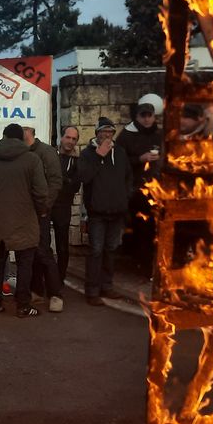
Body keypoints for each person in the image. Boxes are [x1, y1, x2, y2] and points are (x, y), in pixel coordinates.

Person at [0, 123, 49, 317]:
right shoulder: (32, 160)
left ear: (3, 137)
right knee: (25, 263)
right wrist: (41, 211)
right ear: (21, 138)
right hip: (25, 220)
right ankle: (23, 305)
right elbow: (41, 192)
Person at [78, 117, 133, 306]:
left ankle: (106, 286)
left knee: (111, 250)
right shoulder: (87, 154)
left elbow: (128, 177)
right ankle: (92, 290)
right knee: (95, 251)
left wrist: (125, 197)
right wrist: (98, 155)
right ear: (97, 133)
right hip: (97, 213)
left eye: (110, 132)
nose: (107, 135)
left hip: (116, 211)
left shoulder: (120, 152)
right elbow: (84, 177)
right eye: (103, 132)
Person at [118, 94, 163, 270]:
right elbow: (120, 161)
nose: (146, 119)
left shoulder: (159, 135)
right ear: (137, 117)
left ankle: (149, 262)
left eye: (149, 116)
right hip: (134, 189)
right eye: (143, 116)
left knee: (154, 227)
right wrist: (139, 158)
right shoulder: (127, 136)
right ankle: (140, 262)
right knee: (141, 226)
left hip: (156, 188)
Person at [22, 126, 64, 312]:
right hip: (24, 211)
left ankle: (55, 294)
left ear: (30, 131)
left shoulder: (47, 152)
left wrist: (45, 207)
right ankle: (36, 290)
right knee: (28, 252)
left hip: (41, 211)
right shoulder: (20, 152)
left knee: (44, 251)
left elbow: (55, 181)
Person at [52, 125, 82, 279]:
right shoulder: (51, 155)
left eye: (74, 139)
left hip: (63, 206)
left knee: (62, 246)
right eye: (68, 137)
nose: (70, 141)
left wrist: (61, 180)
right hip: (47, 204)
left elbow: (74, 185)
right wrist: (65, 180)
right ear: (61, 137)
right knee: (41, 245)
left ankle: (60, 278)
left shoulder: (77, 161)